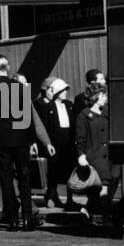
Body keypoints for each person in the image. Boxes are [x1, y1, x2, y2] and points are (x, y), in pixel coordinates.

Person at [0, 56, 53, 232]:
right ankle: (27, 218)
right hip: (21, 140)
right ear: (8, 67)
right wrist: (32, 141)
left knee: (6, 180)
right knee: (24, 178)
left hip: (1, 140)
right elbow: (27, 116)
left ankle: (12, 218)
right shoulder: (20, 88)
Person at [75, 84, 115, 227]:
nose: (105, 98)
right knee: (103, 188)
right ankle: (106, 217)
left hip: (108, 156)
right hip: (95, 157)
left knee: (99, 189)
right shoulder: (84, 116)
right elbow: (81, 139)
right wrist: (81, 155)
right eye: (103, 95)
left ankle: (87, 210)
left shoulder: (107, 112)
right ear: (96, 98)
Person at [37, 76, 76, 209]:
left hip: (68, 143)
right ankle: (52, 196)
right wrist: (47, 144)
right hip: (55, 143)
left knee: (70, 171)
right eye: (63, 90)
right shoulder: (49, 107)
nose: (65, 93)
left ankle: (70, 198)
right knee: (54, 171)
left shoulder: (70, 106)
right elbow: (46, 127)